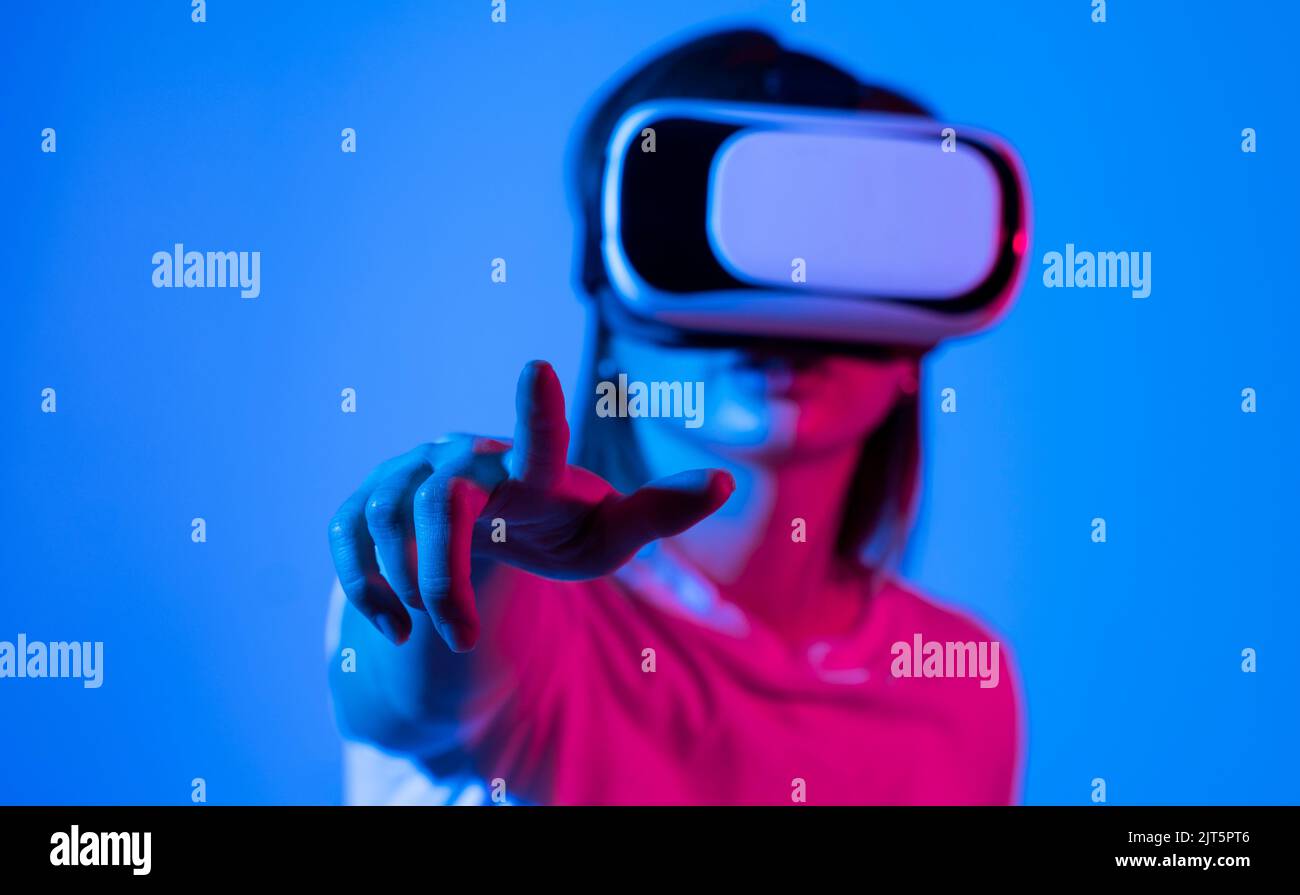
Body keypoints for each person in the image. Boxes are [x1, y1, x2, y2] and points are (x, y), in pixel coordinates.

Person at [325, 28, 1020, 805]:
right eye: (713, 235)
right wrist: (474, 550)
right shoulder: (516, 593)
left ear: (916, 342)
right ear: (612, 297)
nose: (780, 309)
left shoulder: (962, 679)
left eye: (843, 244)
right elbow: (411, 698)